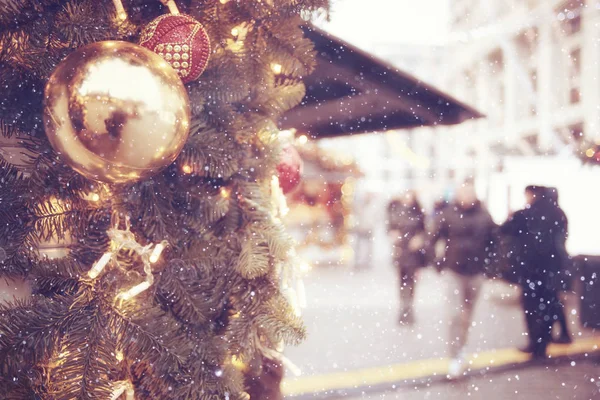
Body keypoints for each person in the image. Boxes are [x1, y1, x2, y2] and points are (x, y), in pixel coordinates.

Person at [428, 182, 497, 377]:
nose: (466, 196)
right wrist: (436, 262)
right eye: (462, 193)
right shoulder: (448, 214)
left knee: (467, 315)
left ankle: (462, 347)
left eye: (469, 192)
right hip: (454, 271)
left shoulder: (484, 216)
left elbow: (495, 242)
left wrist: (490, 268)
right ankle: (455, 356)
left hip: (476, 273)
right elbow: (432, 237)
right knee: (455, 315)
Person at [500, 185, 568, 359]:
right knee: (547, 306)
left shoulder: (525, 214)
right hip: (551, 268)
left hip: (530, 269)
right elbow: (561, 239)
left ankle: (535, 342)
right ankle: (543, 344)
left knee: (531, 307)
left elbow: (505, 230)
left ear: (532, 194)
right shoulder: (558, 214)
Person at [387, 191, 427, 325]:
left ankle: (409, 307)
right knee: (401, 280)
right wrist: (394, 235)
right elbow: (390, 228)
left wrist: (419, 239)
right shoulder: (396, 212)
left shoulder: (418, 214)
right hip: (400, 251)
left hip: (414, 253)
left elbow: (425, 231)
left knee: (411, 281)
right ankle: (403, 308)